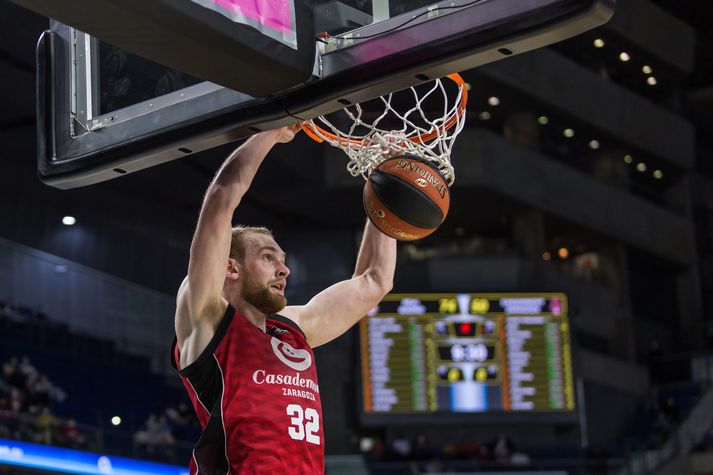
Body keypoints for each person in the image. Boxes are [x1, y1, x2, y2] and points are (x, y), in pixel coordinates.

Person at [170, 124, 396, 474]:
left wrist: (387, 185)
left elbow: (374, 280)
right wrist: (272, 131)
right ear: (229, 267)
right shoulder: (207, 318)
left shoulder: (294, 327)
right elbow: (221, 198)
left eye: (283, 260)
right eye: (267, 258)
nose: (284, 270)